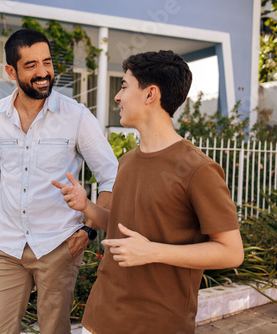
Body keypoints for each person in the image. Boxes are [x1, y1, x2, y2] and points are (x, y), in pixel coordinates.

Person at [52, 50, 244, 334]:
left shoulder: (199, 169)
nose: (117, 97)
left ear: (150, 94)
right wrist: (87, 207)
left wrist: (152, 251)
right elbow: (123, 228)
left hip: (157, 324)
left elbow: (231, 253)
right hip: (100, 318)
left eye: (124, 86)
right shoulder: (128, 161)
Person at [0, 28, 118, 333]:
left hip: (58, 245)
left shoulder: (77, 116)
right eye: (31, 66)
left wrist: (88, 230)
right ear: (10, 71)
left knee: (53, 329)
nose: (43, 72)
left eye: (47, 62)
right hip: (6, 246)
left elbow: (111, 175)